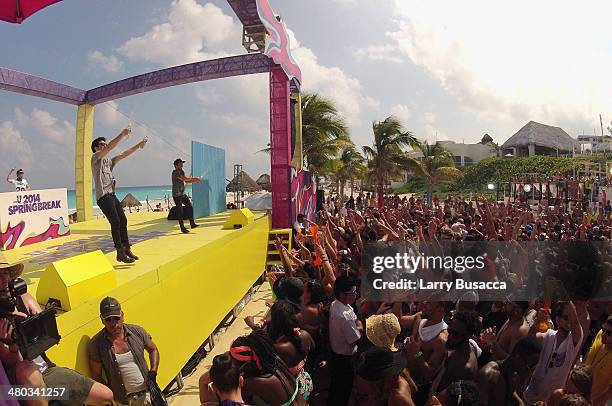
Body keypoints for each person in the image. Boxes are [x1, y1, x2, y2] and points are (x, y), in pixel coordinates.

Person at [0, 258, 113, 406]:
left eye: (6, 273)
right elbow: (13, 363)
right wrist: (12, 344)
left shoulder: (24, 298)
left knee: (106, 396)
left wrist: (33, 324)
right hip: (17, 387)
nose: (3, 279)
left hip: (46, 372)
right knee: (26, 369)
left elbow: (46, 338)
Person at [88, 297, 160, 406]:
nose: (113, 323)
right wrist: (108, 398)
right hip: (123, 401)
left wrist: (153, 371)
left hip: (147, 395)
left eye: (116, 318)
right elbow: (96, 375)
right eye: (108, 319)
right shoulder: (97, 344)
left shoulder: (137, 332)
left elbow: (153, 349)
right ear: (102, 319)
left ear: (122, 315)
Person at [91, 128, 147, 263]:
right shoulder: (95, 158)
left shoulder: (109, 162)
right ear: (96, 148)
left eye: (105, 144)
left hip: (111, 195)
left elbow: (124, 153)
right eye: (102, 144)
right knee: (115, 222)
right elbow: (110, 147)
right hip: (103, 197)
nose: (105, 146)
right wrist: (122, 135)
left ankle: (126, 248)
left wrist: (138, 145)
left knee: (123, 221)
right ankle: (119, 253)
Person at [524, 301, 584, 405]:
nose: (569, 322)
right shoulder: (548, 335)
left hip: (552, 401)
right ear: (558, 319)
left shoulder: (573, 342)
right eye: (566, 318)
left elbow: (574, 322)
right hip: (531, 396)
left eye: (571, 318)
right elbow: (529, 341)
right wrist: (537, 321)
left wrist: (567, 300)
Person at [476, 335, 541, 405]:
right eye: (530, 366)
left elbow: (508, 391)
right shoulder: (489, 375)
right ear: (517, 357)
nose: (531, 371)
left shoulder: (514, 375)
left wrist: (519, 401)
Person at [328, 275, 361, 406]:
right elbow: (356, 338)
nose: (355, 295)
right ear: (342, 295)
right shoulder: (345, 316)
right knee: (343, 390)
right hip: (345, 360)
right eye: (353, 292)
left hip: (336, 355)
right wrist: (360, 326)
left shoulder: (336, 305)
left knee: (336, 386)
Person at [584, 315, 612, 405]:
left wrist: (592, 403)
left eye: (608, 333)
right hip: (577, 393)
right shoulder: (600, 334)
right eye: (603, 329)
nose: (603, 334)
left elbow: (610, 391)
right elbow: (588, 355)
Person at [171, 158, 201, 233]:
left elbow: (186, 180)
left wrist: (195, 181)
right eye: (180, 164)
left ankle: (192, 224)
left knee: (190, 207)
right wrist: (195, 179)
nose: (182, 165)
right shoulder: (175, 173)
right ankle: (182, 228)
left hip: (182, 194)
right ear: (176, 165)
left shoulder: (182, 172)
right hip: (176, 195)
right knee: (180, 211)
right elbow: (184, 179)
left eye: (182, 163)